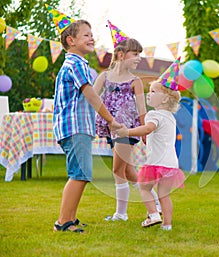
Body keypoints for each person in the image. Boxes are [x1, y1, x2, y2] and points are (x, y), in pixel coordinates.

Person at [46, 5, 121, 233]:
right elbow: (91, 95)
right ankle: (63, 222)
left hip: (77, 128)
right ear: (71, 40)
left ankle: (70, 217)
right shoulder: (75, 64)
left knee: (81, 173)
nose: (92, 38)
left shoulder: (78, 64)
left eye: (92, 34)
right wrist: (110, 120)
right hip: (74, 127)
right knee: (80, 174)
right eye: (86, 35)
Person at [94, 20, 161, 221]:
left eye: (140, 54)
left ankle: (121, 214)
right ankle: (155, 202)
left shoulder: (136, 81)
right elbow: (91, 96)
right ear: (121, 55)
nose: (139, 58)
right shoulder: (104, 76)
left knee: (117, 169)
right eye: (135, 54)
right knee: (127, 169)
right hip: (109, 127)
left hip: (126, 129)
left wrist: (145, 132)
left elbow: (142, 109)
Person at [116, 57, 185, 230]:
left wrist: (127, 132)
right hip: (170, 164)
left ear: (163, 100)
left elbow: (147, 129)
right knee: (164, 195)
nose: (149, 93)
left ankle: (153, 215)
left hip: (156, 163)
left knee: (144, 187)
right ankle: (167, 225)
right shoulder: (170, 117)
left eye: (153, 91)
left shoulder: (153, 115)